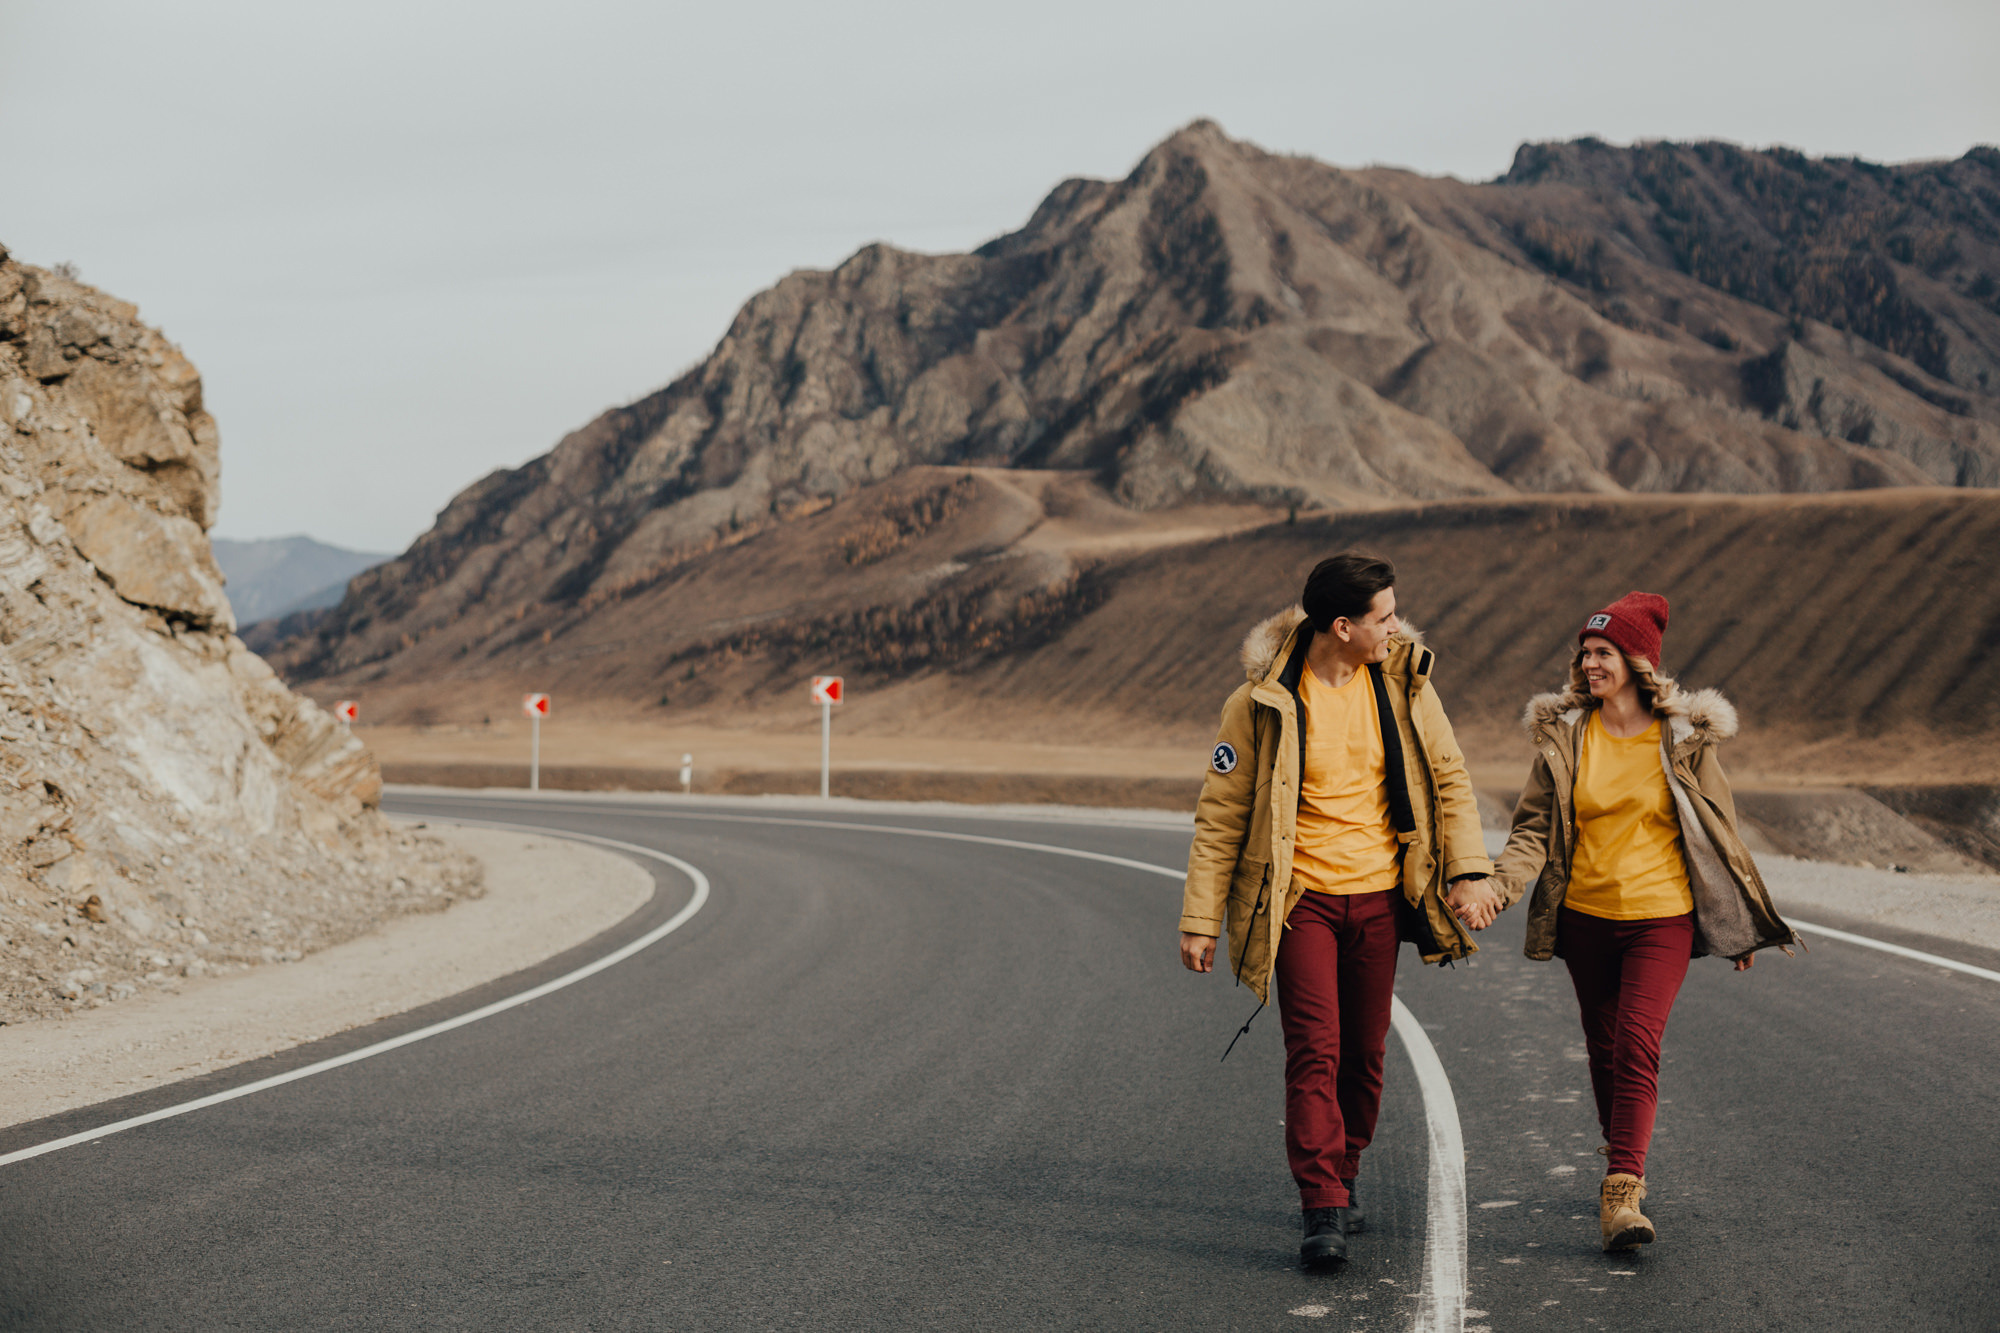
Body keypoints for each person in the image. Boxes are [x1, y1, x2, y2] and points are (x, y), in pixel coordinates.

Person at [1178, 552, 1500, 1272]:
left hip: (1382, 896)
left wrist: (1469, 871)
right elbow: (1222, 814)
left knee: (1365, 1052)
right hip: (1301, 903)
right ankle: (1321, 1201)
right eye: (1384, 616)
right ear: (1342, 625)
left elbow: (1449, 777)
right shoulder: (1261, 701)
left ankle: (1346, 1167)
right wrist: (1200, 916)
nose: (1397, 626)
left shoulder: (1405, 685)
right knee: (1313, 1049)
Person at [1490, 592, 1796, 1253]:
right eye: (1586, 651)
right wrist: (1501, 884)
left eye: (1603, 652)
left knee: (1636, 1044)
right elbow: (1533, 828)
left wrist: (1741, 924)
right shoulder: (1567, 737)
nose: (1590, 661)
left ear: (1637, 661)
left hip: (1663, 918)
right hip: (1586, 919)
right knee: (1604, 1051)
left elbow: (1722, 834)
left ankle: (1624, 1189)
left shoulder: (1682, 740)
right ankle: (1619, 1159)